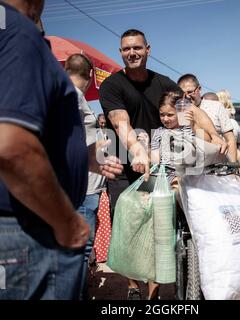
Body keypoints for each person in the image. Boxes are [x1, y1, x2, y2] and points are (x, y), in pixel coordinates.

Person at [0, 0, 121, 300]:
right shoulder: (17, 32)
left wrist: (84, 157)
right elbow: (12, 147)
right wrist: (66, 222)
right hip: (31, 229)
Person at [99, 29, 226, 300]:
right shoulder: (112, 85)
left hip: (162, 166)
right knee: (129, 227)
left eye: (137, 48)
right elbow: (121, 121)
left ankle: (153, 293)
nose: (131, 53)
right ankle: (133, 287)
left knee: (161, 229)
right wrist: (137, 151)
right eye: (125, 49)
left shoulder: (164, 82)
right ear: (120, 53)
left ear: (148, 49)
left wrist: (214, 134)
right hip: (126, 166)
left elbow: (192, 109)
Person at [64, 53, 123, 299]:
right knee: (79, 249)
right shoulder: (72, 96)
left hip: (85, 187)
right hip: (82, 189)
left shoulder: (69, 95)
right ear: (90, 75)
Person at [177, 75, 236, 161]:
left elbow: (230, 139)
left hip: (216, 165)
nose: (187, 96)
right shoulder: (178, 110)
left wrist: (233, 166)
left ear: (199, 89)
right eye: (183, 93)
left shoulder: (216, 107)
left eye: (190, 92)